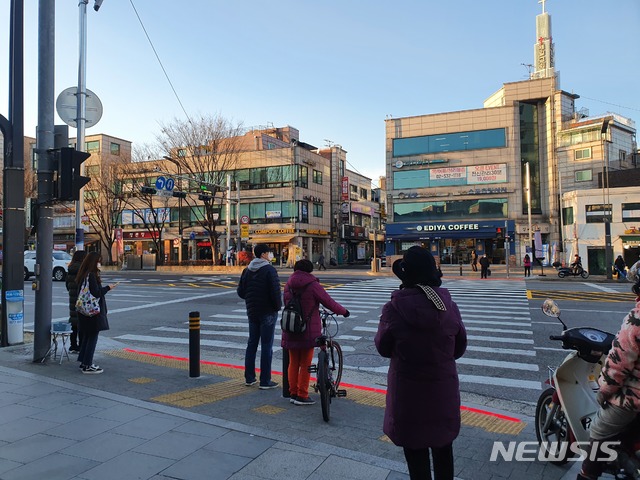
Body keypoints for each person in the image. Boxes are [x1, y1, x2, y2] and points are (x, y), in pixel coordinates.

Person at [375, 246, 467, 480]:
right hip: (442, 392)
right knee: (444, 450)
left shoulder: (394, 309)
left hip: (408, 395)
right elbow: (459, 347)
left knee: (415, 455)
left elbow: (383, 348)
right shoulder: (448, 307)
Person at [576, 267, 640, 480]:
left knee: (598, 429)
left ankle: (587, 475)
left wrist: (603, 392)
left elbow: (618, 366)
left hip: (634, 400)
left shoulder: (637, 319)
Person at [282, 259, 349, 405]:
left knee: (293, 362)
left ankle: (293, 393)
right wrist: (343, 311)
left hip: (291, 327)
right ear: (310, 270)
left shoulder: (288, 284)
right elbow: (328, 302)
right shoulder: (312, 285)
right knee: (306, 363)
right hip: (308, 329)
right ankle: (302, 395)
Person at [237, 243, 282, 389]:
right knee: (267, 345)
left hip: (252, 311)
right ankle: (265, 380)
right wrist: (277, 308)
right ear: (263, 254)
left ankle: (249, 378)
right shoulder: (269, 270)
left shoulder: (247, 270)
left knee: (252, 344)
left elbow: (241, 292)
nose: (270, 255)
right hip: (267, 311)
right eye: (268, 252)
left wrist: (251, 299)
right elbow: (275, 292)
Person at [76, 252, 117, 374]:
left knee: (87, 337)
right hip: (93, 311)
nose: (100, 263)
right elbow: (96, 293)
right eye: (99, 260)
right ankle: (88, 365)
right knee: (92, 337)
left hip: (84, 311)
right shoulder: (92, 275)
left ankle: (84, 362)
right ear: (94, 262)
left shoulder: (83, 274)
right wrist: (108, 288)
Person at [65, 250, 86, 353]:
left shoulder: (70, 268)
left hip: (72, 298)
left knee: (74, 322)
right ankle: (82, 345)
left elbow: (67, 285)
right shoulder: (83, 270)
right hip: (82, 299)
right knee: (82, 322)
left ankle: (73, 345)